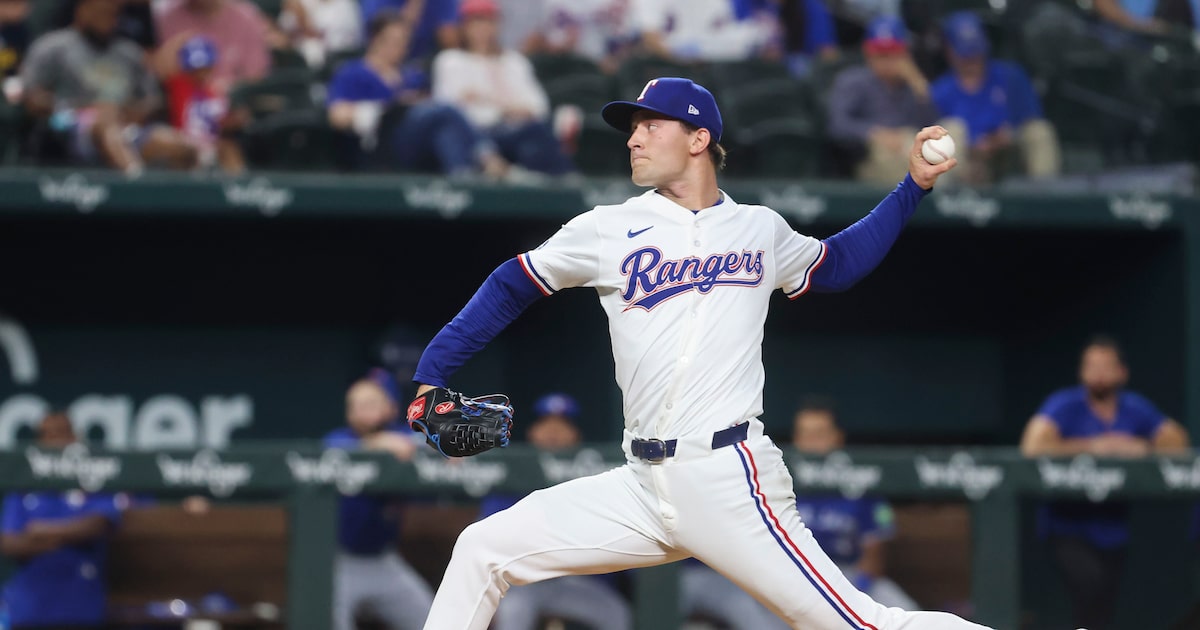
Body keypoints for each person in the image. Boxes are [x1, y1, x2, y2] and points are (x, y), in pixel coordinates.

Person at [408, 71, 994, 629]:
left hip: (728, 479)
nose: (633, 138)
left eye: (650, 125)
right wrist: (432, 372)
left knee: (861, 622)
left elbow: (838, 264)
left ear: (699, 138)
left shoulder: (758, 229)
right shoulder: (608, 227)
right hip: (639, 485)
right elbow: (511, 283)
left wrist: (912, 186)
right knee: (482, 548)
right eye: (631, 128)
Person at [1019, 335, 1190, 630]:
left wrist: (1140, 448)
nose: (1097, 373)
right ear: (1081, 372)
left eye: (1105, 366)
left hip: (1113, 527)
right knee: (1090, 586)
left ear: (1121, 372)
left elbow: (1178, 442)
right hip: (1067, 523)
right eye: (1090, 366)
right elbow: (1032, 445)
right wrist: (1093, 446)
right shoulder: (1066, 403)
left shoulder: (1134, 408)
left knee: (1103, 604)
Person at [478, 393, 634, 630]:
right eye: (546, 424)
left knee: (617, 614)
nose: (553, 432)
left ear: (576, 435)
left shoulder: (594, 476)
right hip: (525, 580)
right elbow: (489, 534)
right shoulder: (513, 470)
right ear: (532, 432)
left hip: (575, 582)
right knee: (513, 612)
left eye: (562, 425)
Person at [19, 0, 198, 174]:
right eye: (101, 11)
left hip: (124, 126)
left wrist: (127, 112)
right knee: (105, 125)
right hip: (67, 125)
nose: (108, 19)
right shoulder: (54, 46)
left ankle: (178, 200)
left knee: (183, 147)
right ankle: (139, 190)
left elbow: (153, 101)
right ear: (82, 9)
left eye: (113, 14)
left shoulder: (129, 53)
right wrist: (86, 109)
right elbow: (31, 97)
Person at [327, 9, 510, 178]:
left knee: (444, 130)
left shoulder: (412, 76)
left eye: (403, 42)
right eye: (392, 40)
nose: (398, 47)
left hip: (416, 144)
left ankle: (462, 178)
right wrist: (386, 108)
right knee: (445, 108)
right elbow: (338, 116)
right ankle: (486, 155)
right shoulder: (353, 72)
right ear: (375, 39)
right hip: (379, 144)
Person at [325, 369, 434, 630]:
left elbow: (425, 443)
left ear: (391, 408)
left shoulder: (403, 436)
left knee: (433, 621)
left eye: (371, 403)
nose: (362, 411)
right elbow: (335, 452)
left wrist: (446, 448)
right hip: (340, 562)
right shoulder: (339, 440)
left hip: (384, 561)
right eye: (356, 405)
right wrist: (380, 444)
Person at [1, 411, 131, 629]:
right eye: (46, 434)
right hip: (30, 608)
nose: (54, 440)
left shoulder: (94, 478)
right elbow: (8, 542)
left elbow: (99, 523)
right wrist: (66, 534)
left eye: (61, 432)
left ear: (75, 437)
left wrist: (41, 532)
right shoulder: (24, 486)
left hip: (80, 607)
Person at [791, 399, 918, 610]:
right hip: (794, 575)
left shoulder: (860, 478)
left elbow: (874, 552)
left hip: (846, 575)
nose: (811, 442)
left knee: (907, 612)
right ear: (795, 439)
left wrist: (855, 591)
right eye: (805, 434)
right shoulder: (778, 479)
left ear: (837, 437)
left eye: (819, 434)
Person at [432, 0, 576, 178]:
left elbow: (539, 107)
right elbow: (448, 109)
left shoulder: (514, 61)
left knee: (538, 134)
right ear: (464, 26)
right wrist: (508, 108)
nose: (482, 29)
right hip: (475, 134)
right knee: (449, 135)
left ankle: (566, 184)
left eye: (488, 21)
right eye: (476, 22)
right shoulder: (451, 60)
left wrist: (484, 99)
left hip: (513, 132)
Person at [827, 15, 963, 187]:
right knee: (896, 146)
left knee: (956, 127)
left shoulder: (912, 83)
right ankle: (937, 188)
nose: (886, 61)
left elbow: (932, 124)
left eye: (892, 53)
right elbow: (837, 125)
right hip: (877, 156)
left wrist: (919, 86)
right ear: (868, 54)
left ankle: (941, 188)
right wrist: (875, 134)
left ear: (904, 54)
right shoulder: (853, 81)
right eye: (880, 54)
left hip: (914, 147)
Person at [930, 11, 1059, 186]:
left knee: (1040, 131)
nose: (972, 59)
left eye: (976, 51)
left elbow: (1031, 118)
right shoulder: (940, 90)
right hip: (970, 162)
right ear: (949, 51)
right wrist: (977, 144)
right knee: (951, 132)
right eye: (966, 53)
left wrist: (1007, 135)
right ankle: (944, 203)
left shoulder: (1010, 76)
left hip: (1009, 154)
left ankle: (1047, 199)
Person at [154, 0, 271, 97]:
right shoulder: (165, 18)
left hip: (238, 106)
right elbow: (162, 74)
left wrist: (226, 89)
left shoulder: (246, 15)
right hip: (186, 107)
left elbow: (256, 77)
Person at [165, 35, 247, 174]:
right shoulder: (179, 85)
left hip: (212, 145)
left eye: (205, 68)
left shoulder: (215, 93)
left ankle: (238, 190)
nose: (200, 73)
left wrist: (234, 121)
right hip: (184, 143)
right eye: (194, 69)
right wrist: (181, 39)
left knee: (229, 149)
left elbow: (220, 123)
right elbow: (161, 66)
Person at [632, 0, 779, 62]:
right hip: (673, 67)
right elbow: (651, 38)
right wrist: (682, 57)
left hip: (717, 63)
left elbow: (730, 33)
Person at [520, 0, 636, 74]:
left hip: (613, 71)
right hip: (565, 67)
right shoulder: (547, 4)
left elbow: (636, 38)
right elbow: (532, 43)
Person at [359, 0, 460, 62]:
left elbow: (451, 42)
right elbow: (392, 37)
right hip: (382, 62)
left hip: (423, 61)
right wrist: (416, 3)